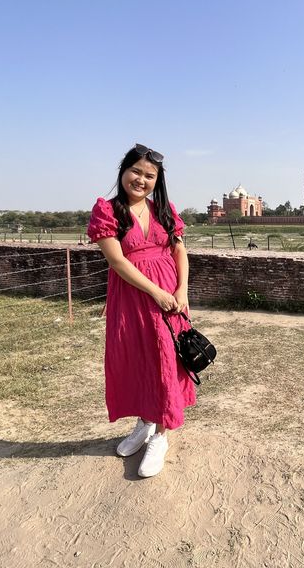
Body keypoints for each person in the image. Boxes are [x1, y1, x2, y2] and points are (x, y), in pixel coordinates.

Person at [87, 144, 195, 478]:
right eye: (136, 171)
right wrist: (155, 291)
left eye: (150, 175)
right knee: (137, 358)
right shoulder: (109, 211)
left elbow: (180, 252)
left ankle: (162, 435)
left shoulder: (164, 209)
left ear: (157, 180)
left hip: (170, 297)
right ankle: (145, 423)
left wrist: (181, 290)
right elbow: (117, 261)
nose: (141, 179)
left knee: (167, 359)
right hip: (134, 296)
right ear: (123, 171)